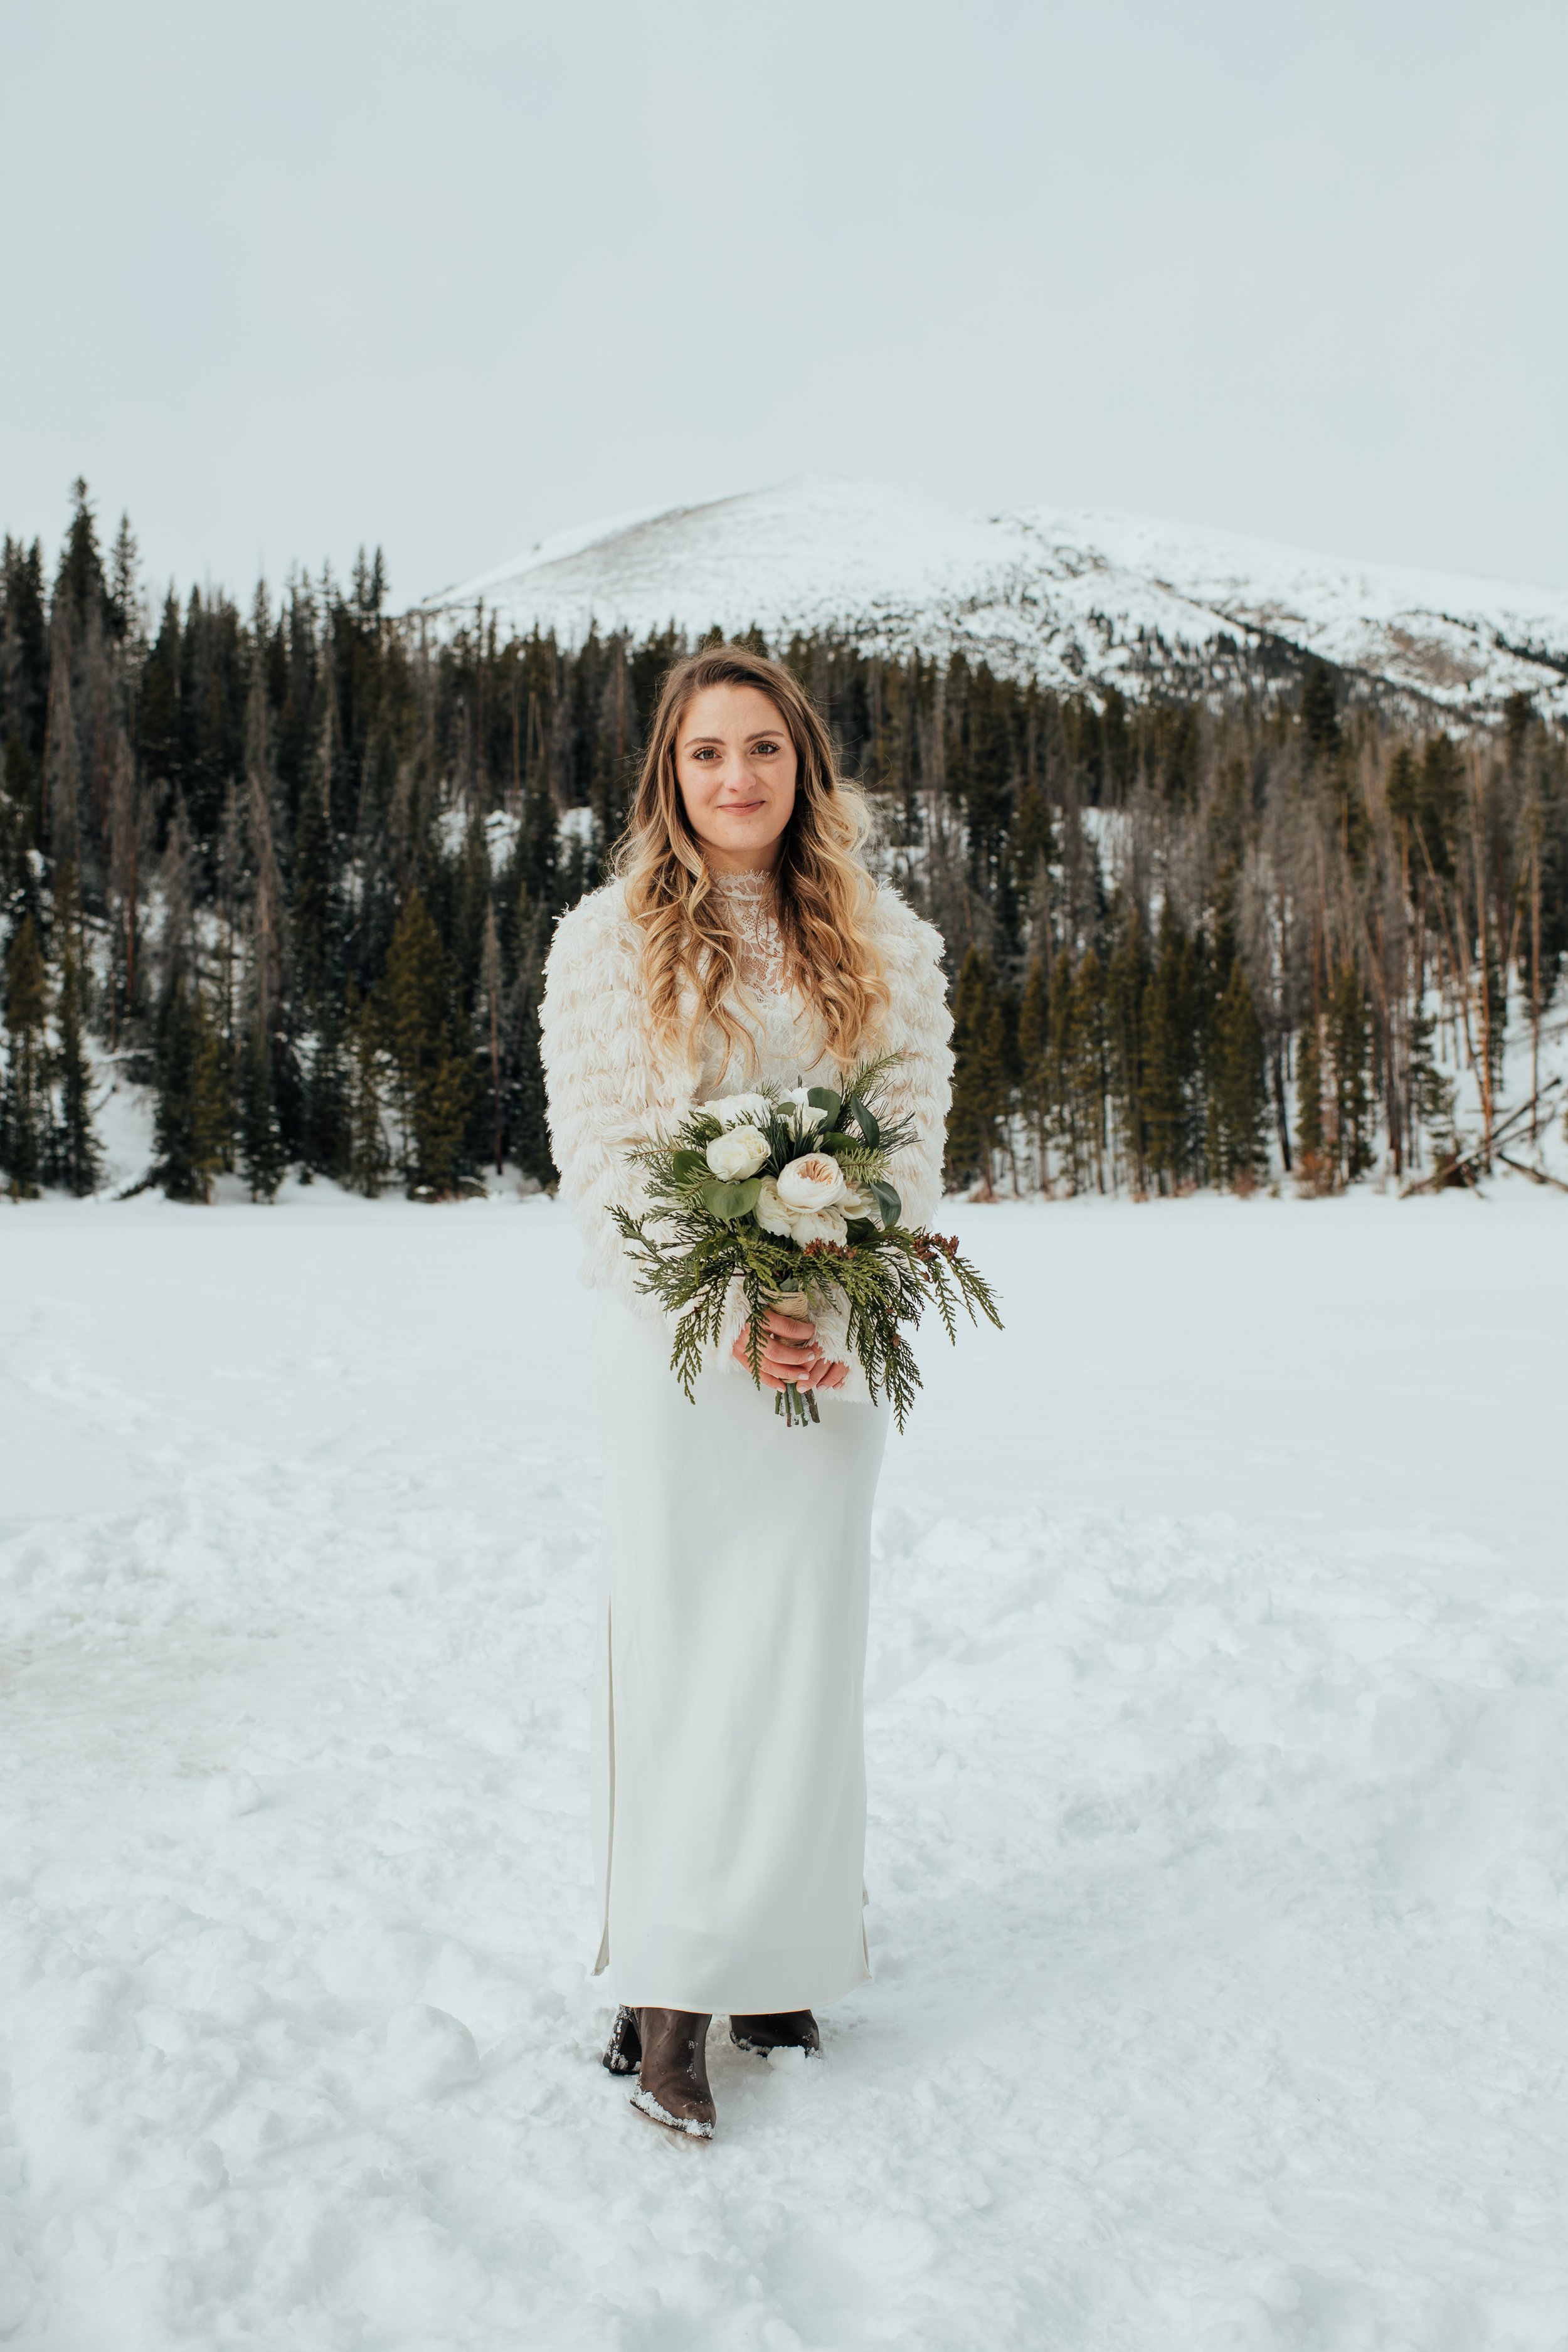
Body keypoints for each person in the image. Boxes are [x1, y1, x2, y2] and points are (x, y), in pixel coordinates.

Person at [539, 644, 953, 2137]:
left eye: (762, 748)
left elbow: (905, 1144)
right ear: (669, 772)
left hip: (825, 1337)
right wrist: (723, 1303)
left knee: (800, 1647)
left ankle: (778, 1959)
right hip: (671, 1348)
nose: (736, 777)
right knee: (683, 1647)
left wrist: (821, 1290)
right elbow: (602, 1160)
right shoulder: (605, 941)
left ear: (803, 766)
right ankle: (667, 1993)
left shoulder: (884, 941)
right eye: (706, 752)